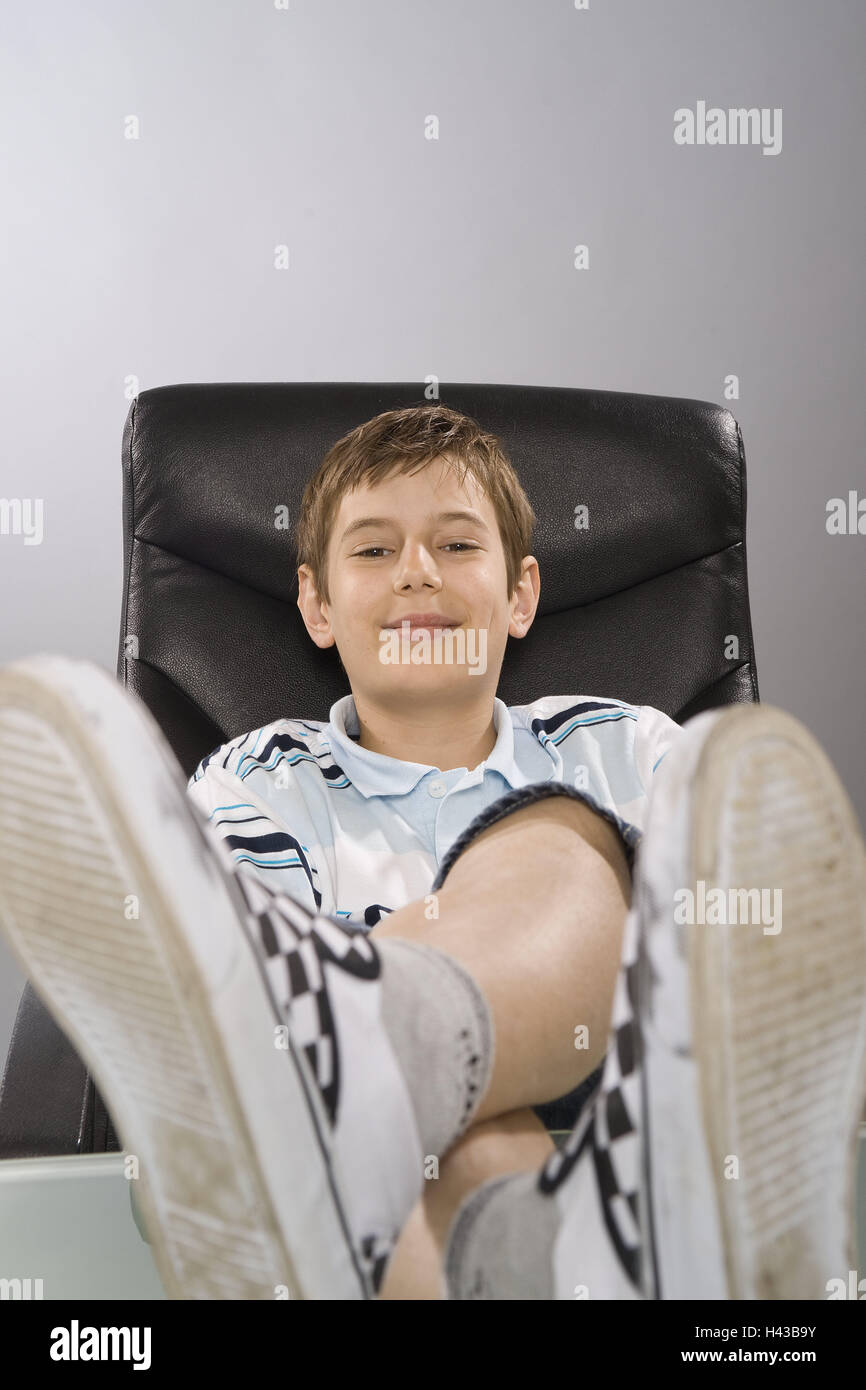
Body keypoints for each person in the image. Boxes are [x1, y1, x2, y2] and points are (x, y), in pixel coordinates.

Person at [0, 404, 863, 1300]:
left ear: (521, 594)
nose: (417, 572)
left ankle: (378, 1041)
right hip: (496, 1171)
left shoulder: (625, 747)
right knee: (444, 1128)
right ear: (318, 606)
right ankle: (535, 1225)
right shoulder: (260, 780)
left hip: (633, 1090)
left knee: (565, 848)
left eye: (457, 546)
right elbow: (247, 1008)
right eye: (373, 551)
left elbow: (772, 941)